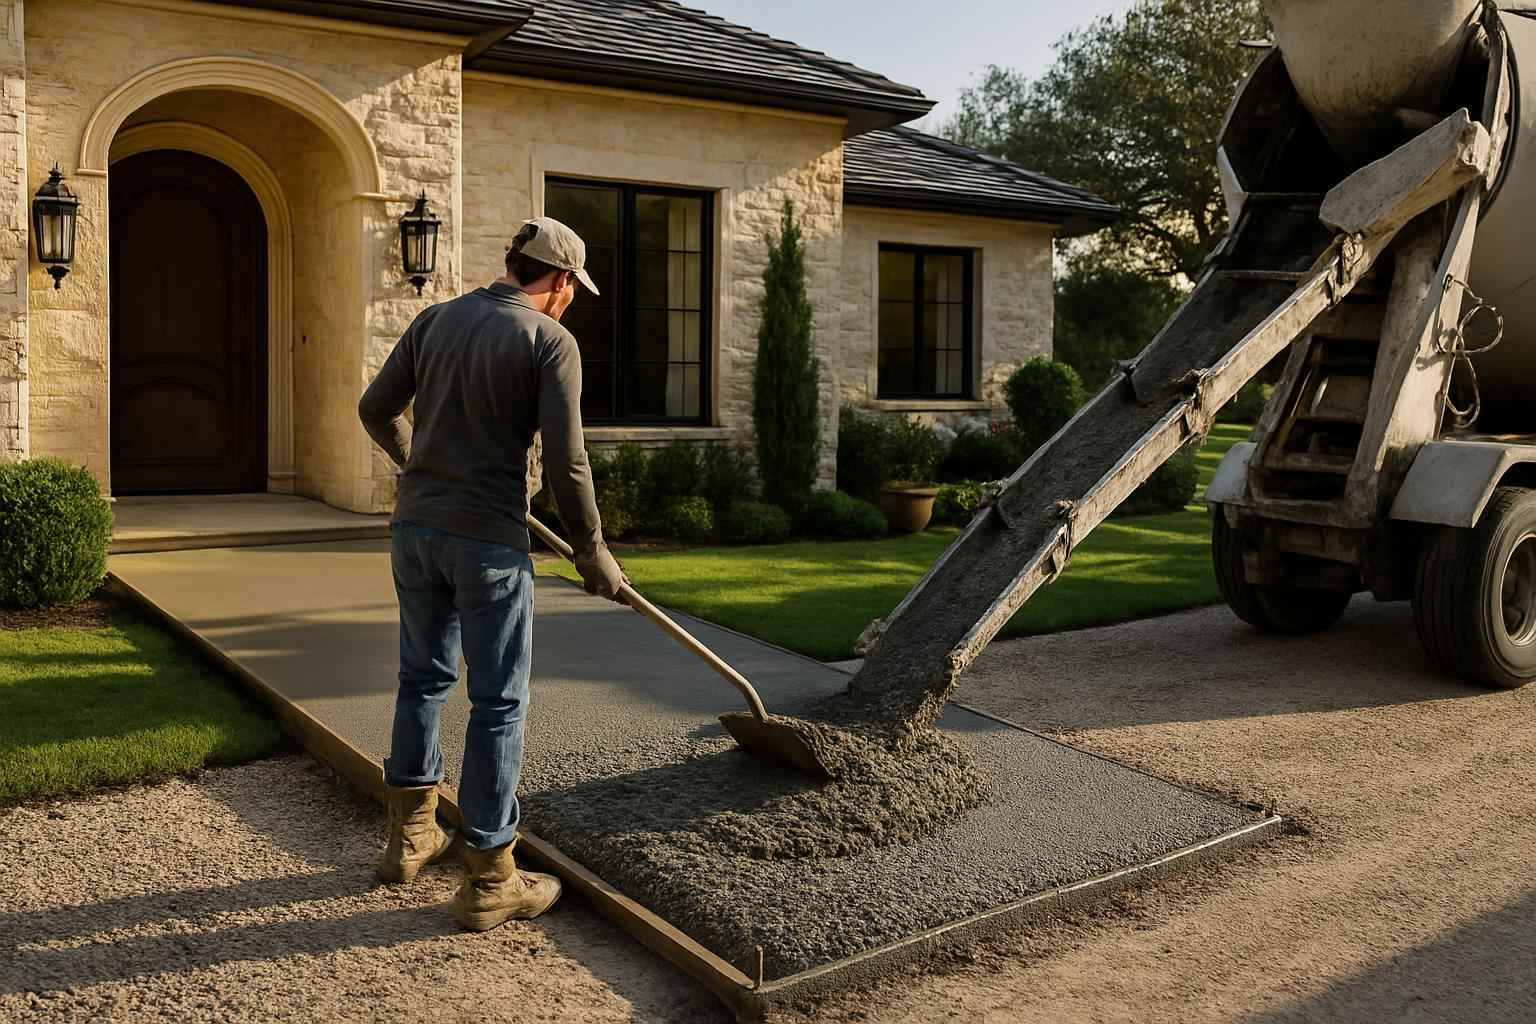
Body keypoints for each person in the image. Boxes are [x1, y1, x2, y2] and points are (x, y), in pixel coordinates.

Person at [358, 216, 625, 931]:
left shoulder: (435, 319)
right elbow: (569, 462)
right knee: (499, 702)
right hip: (487, 544)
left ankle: (411, 836)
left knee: (422, 678)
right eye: (575, 289)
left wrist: (416, 463)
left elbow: (374, 408)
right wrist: (591, 547)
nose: (572, 301)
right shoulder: (549, 340)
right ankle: (489, 878)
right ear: (560, 281)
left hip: (414, 531)